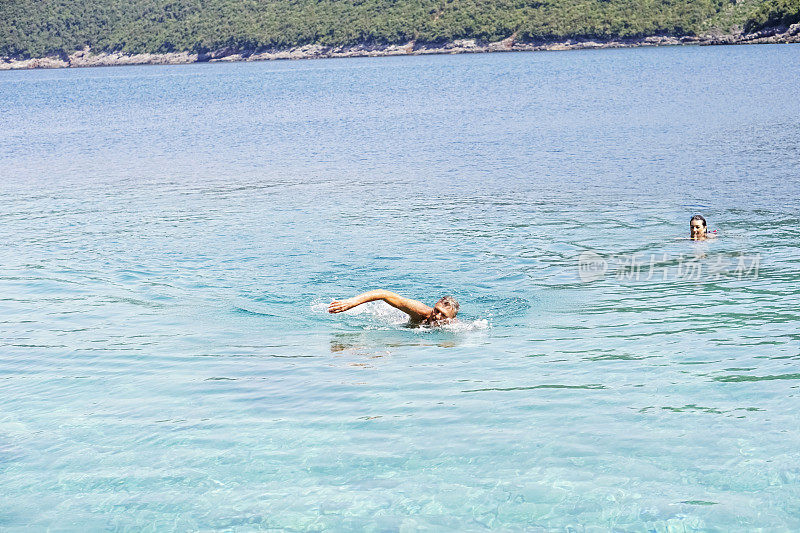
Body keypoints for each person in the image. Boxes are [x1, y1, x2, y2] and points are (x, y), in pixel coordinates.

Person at [328, 290, 459, 326]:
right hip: (398, 319)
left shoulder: (453, 326)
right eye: (436, 310)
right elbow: (384, 294)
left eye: (443, 315)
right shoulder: (420, 311)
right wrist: (352, 302)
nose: (437, 316)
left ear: (451, 319)